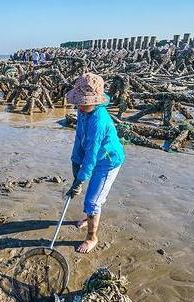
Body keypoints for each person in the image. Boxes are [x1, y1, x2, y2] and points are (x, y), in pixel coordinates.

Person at [64, 72, 125, 254]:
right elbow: (79, 138)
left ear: (96, 100)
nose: (81, 106)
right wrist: (75, 164)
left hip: (108, 161)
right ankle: (89, 217)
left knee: (92, 201)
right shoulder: (83, 111)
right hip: (94, 157)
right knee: (91, 196)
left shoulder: (99, 121)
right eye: (79, 102)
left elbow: (92, 154)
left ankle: (92, 237)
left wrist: (81, 179)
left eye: (85, 102)